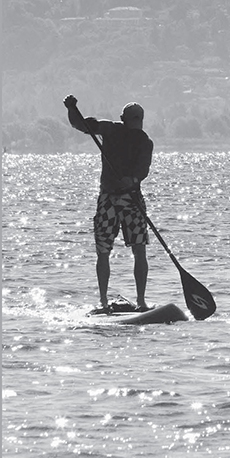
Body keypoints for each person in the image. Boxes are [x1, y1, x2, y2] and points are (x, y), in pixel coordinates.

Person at [63, 95, 154, 312]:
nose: (134, 124)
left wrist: (131, 180)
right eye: (132, 120)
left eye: (136, 120)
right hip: (108, 198)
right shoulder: (111, 130)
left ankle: (141, 302)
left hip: (131, 198)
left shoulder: (145, 142)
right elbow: (81, 124)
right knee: (103, 251)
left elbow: (142, 170)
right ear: (124, 119)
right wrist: (71, 108)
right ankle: (103, 302)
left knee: (139, 249)